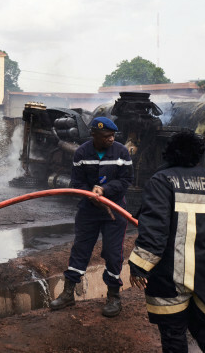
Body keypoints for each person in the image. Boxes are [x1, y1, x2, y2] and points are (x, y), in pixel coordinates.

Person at [128, 132, 205, 352]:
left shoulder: (162, 181)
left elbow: (154, 230)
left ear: (169, 153)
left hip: (170, 276)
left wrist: (139, 266)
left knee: (174, 334)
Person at [50, 116, 134, 317]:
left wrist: (104, 190)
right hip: (88, 210)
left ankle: (114, 297)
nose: (111, 139)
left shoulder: (122, 152)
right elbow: (77, 183)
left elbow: (126, 180)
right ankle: (68, 293)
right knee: (81, 249)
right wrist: (91, 196)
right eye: (106, 136)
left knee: (113, 254)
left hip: (114, 210)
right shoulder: (81, 153)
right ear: (94, 135)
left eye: (113, 135)